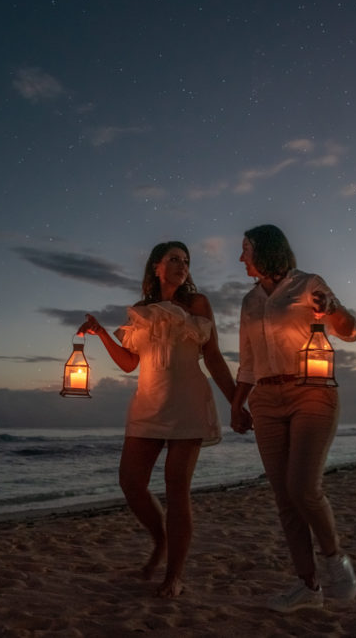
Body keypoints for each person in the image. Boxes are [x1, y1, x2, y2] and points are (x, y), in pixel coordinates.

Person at [78, 241, 237, 598]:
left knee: (176, 487)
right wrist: (102, 332)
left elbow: (212, 358)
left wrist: (236, 403)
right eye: (174, 259)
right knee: (131, 483)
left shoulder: (197, 305)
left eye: (186, 261)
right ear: (156, 267)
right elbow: (128, 363)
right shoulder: (139, 311)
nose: (182, 265)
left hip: (188, 404)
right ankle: (160, 541)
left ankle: (174, 575)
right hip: (148, 403)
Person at [228, 224, 356, 612]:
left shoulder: (307, 284)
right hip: (266, 399)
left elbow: (350, 332)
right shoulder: (249, 302)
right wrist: (238, 405)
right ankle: (308, 586)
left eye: (245, 250)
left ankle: (336, 561)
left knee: (303, 486)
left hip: (311, 392)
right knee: (284, 498)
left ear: (265, 250)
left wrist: (333, 310)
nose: (241, 259)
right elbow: (248, 361)